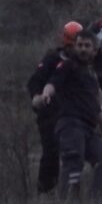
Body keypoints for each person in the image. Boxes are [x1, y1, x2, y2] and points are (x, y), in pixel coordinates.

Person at [34, 31, 102, 202]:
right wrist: (46, 94)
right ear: (75, 47)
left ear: (94, 50)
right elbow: (52, 83)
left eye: (87, 46)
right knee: (73, 162)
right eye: (80, 45)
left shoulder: (91, 76)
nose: (83, 49)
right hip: (70, 124)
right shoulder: (68, 66)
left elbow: (95, 108)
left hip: (89, 128)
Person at [26, 21, 82, 194]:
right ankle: (45, 190)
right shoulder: (52, 58)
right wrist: (38, 97)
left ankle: (70, 190)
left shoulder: (82, 63)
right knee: (51, 150)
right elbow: (35, 80)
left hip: (72, 113)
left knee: (72, 151)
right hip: (49, 113)